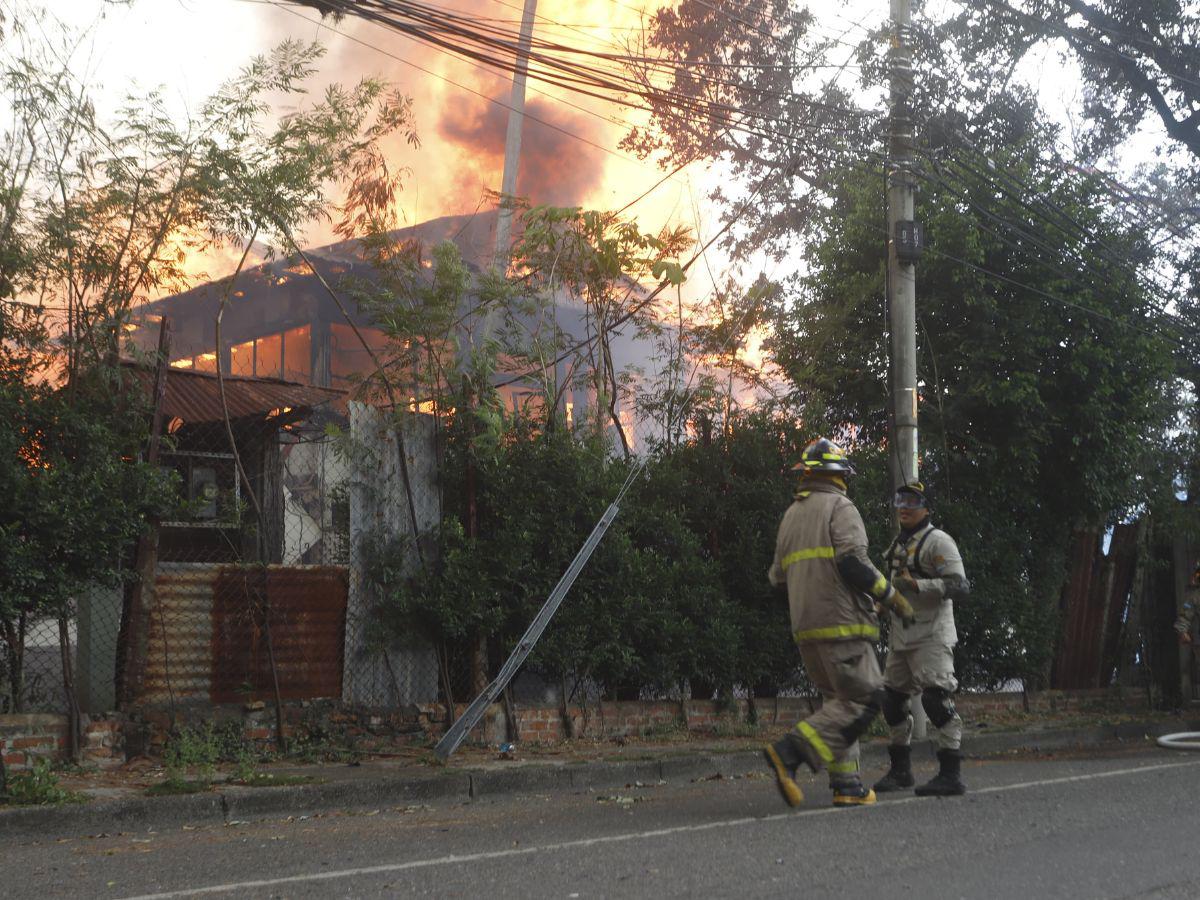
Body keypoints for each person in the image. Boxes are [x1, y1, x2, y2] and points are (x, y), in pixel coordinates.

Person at [763, 438, 916, 808]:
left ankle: (847, 784)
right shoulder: (840, 507)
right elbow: (853, 564)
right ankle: (789, 752)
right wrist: (891, 597)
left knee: (838, 701)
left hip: (807, 628)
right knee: (864, 700)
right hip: (844, 625)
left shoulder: (790, 515)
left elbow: (777, 578)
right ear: (839, 476)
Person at [872, 482, 970, 797]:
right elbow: (896, 589)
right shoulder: (899, 545)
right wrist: (878, 608)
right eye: (900, 500)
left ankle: (950, 774)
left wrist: (920, 587)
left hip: (932, 635)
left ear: (927, 508)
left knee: (935, 700)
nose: (904, 506)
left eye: (912, 501)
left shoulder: (938, 541)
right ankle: (901, 771)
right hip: (902, 634)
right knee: (891, 700)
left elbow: (960, 586)